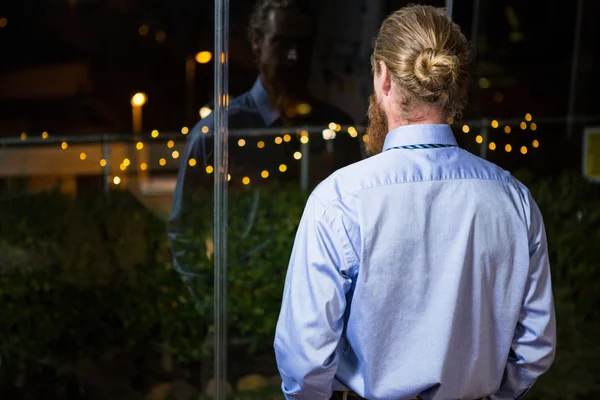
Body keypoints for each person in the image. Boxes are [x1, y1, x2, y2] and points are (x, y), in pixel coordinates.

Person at [274, 5, 556, 400]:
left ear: (384, 78)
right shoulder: (514, 200)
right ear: (454, 86)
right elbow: (534, 348)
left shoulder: (338, 202)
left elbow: (305, 361)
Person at [169, 0, 362, 276]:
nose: (294, 56)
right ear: (257, 42)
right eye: (282, 43)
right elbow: (184, 232)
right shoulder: (218, 133)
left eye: (303, 45)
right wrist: (213, 305)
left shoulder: (339, 130)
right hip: (247, 302)